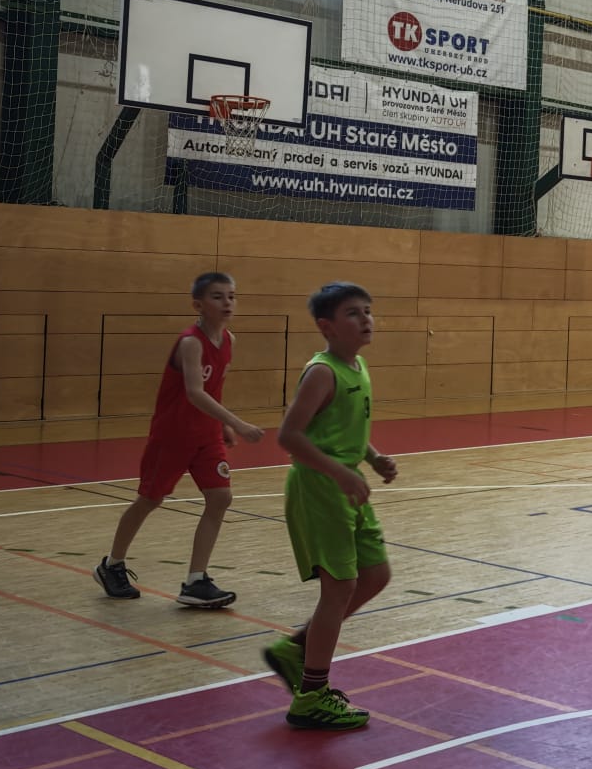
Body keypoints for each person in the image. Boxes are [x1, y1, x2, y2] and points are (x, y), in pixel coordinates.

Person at [260, 282, 398, 731]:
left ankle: (296, 650)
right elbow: (290, 436)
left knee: (375, 575)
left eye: (368, 310)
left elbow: (338, 425)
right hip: (320, 487)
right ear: (327, 326)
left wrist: (372, 458)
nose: (366, 319)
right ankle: (312, 696)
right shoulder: (322, 371)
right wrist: (340, 472)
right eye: (353, 313)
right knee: (339, 587)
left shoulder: (358, 366)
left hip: (346, 483)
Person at [94, 271, 263, 608]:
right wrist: (237, 422)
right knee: (150, 499)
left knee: (220, 498)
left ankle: (196, 581)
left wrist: (222, 425)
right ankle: (111, 565)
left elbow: (214, 388)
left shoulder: (229, 340)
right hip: (172, 436)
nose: (227, 302)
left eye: (231, 296)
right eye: (218, 296)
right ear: (198, 305)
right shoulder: (190, 342)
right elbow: (194, 392)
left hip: (206, 436)